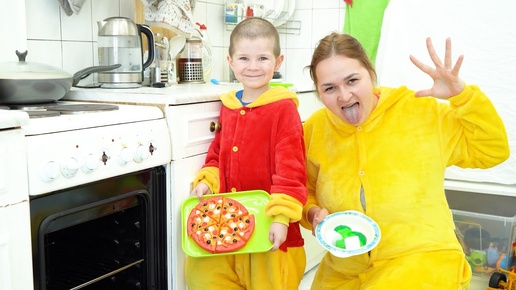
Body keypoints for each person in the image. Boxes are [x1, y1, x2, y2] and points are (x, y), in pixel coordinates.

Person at [301, 32, 509, 289]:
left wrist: (463, 97)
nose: (343, 96)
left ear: (371, 73)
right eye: (329, 88)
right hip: (346, 268)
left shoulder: (418, 111)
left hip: (422, 258)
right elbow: (304, 189)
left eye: (352, 80)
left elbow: (492, 150)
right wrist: (312, 213)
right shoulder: (315, 128)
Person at [185, 17, 308, 290]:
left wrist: (281, 218)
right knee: (205, 278)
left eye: (263, 58)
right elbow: (218, 154)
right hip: (228, 223)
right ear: (230, 61)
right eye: (244, 58)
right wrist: (207, 181)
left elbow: (291, 168)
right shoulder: (228, 106)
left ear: (278, 62)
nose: (253, 67)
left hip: (269, 224)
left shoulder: (283, 110)